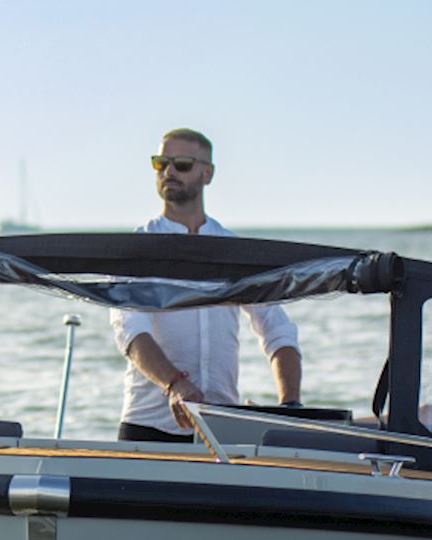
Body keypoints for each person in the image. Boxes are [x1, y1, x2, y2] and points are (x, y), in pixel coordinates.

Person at [109, 128, 302, 441]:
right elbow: (131, 332)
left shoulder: (234, 250)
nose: (169, 171)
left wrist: (291, 406)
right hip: (148, 429)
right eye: (161, 163)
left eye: (182, 164)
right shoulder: (138, 248)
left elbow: (277, 330)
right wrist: (175, 384)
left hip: (222, 431)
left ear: (207, 173)